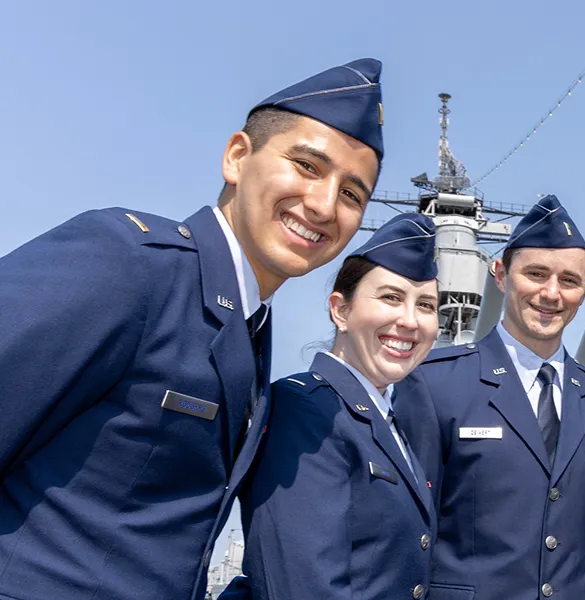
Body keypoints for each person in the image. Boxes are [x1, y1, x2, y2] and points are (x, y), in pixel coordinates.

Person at [0, 58, 384, 600]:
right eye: (306, 165)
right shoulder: (129, 263)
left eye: (351, 194)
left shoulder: (249, 326)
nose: (323, 205)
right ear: (237, 158)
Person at [393, 195, 585, 600]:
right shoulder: (434, 385)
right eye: (536, 274)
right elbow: (403, 531)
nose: (551, 293)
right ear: (501, 274)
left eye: (569, 281)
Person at [233, 213, 440, 600]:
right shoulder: (306, 412)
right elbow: (303, 586)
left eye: (426, 305)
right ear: (340, 310)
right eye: (391, 297)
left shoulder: (388, 425)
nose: (410, 321)